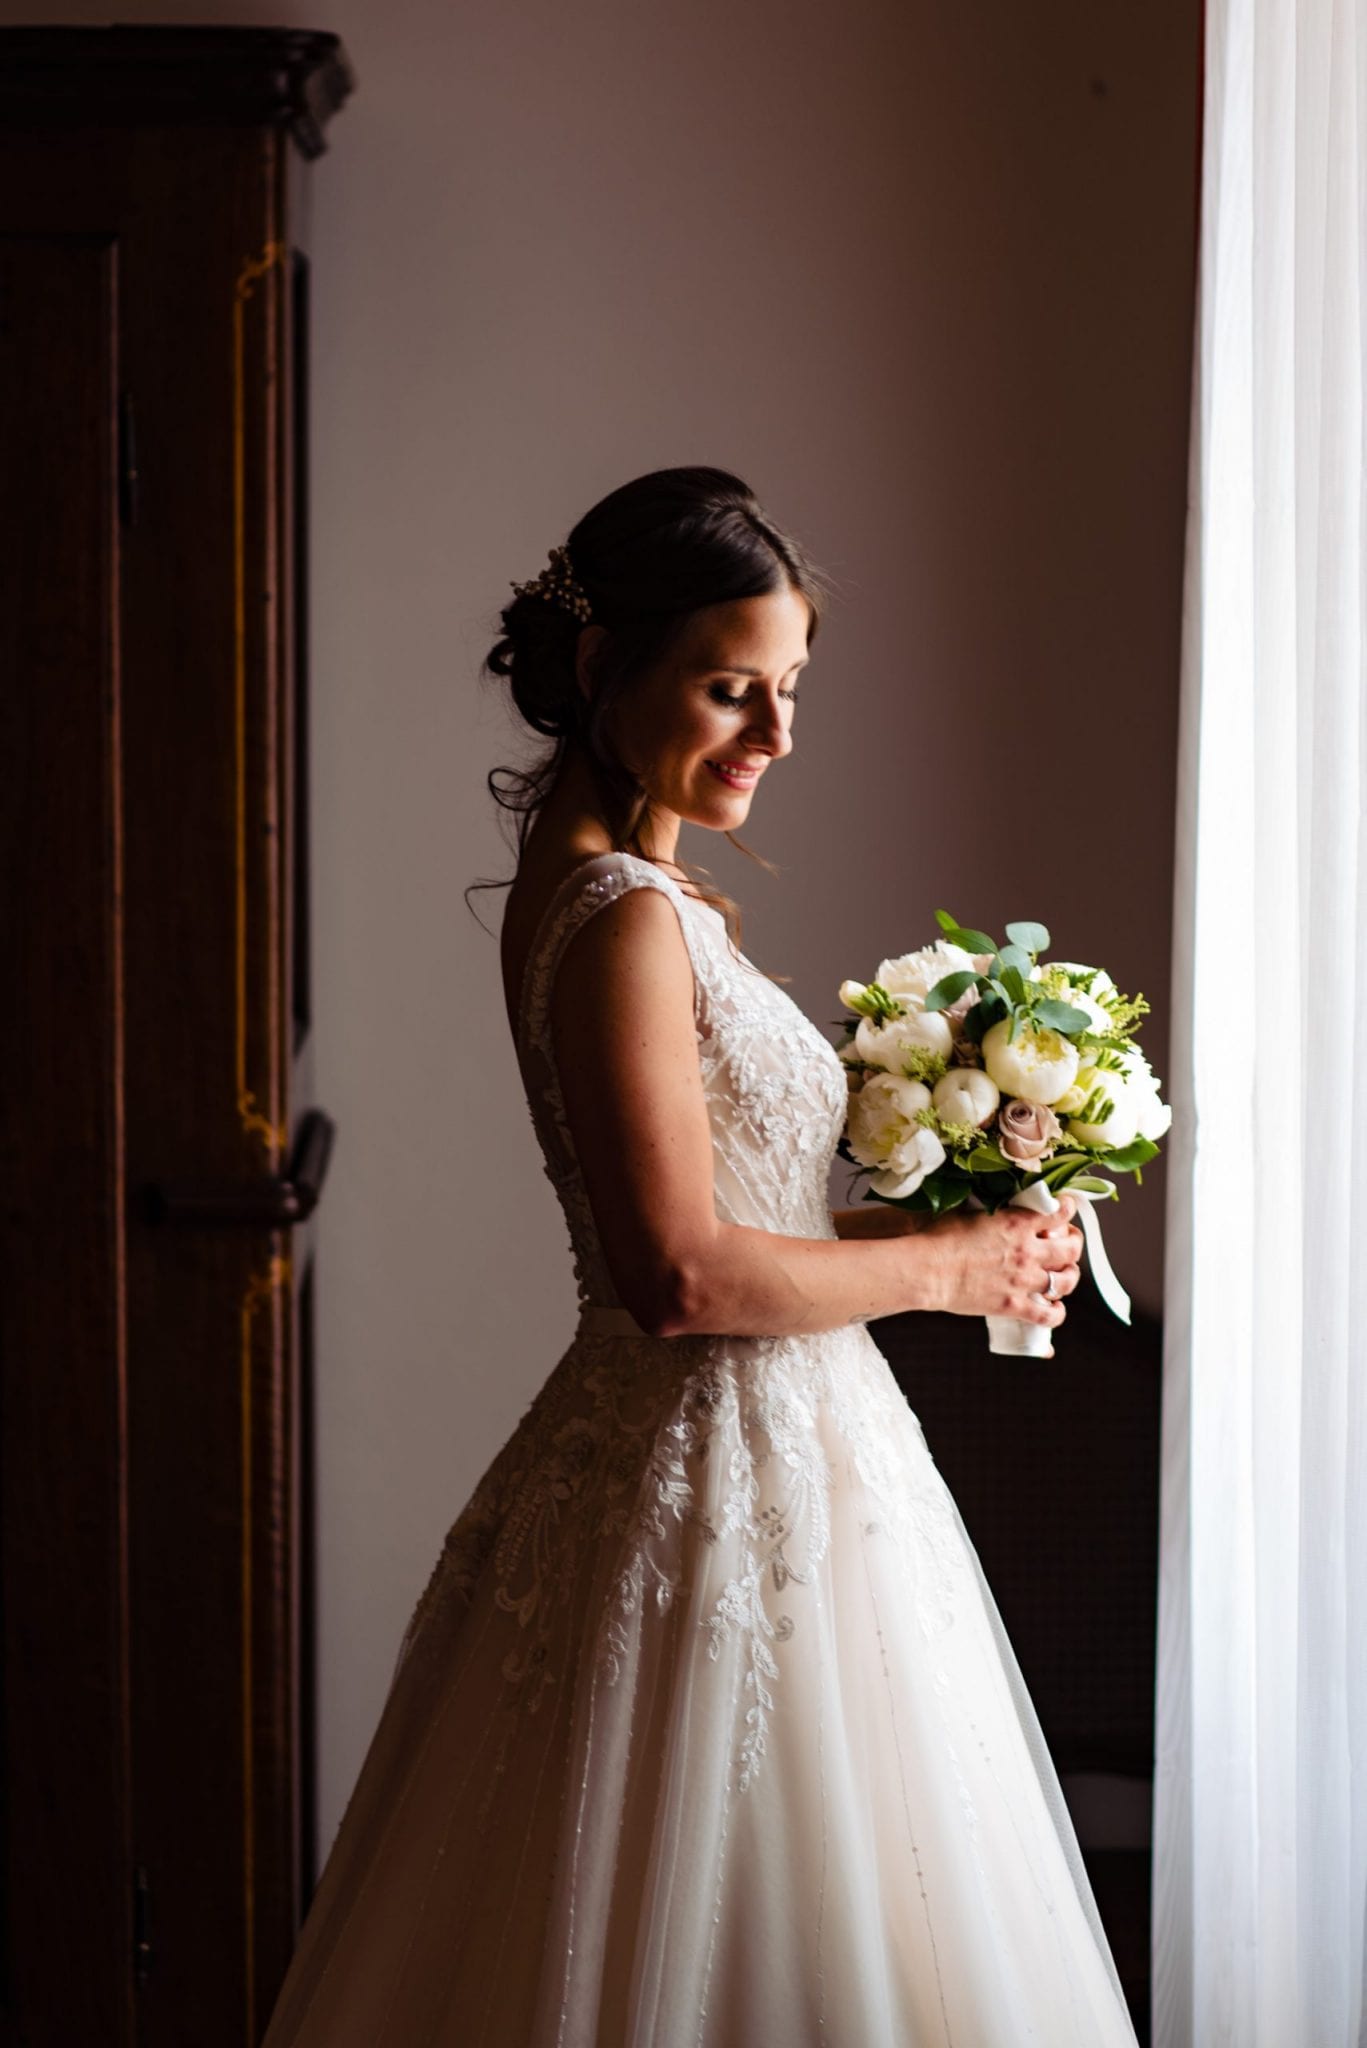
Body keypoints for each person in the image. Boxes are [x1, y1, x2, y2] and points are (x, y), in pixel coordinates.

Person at [261, 466, 1140, 2045]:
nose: (777, 734)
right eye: (733, 688)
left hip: (792, 1457)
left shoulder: (653, 898)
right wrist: (944, 1279)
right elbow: (679, 1278)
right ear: (605, 671)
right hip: (718, 1470)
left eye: (790, 689)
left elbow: (761, 1233)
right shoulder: (616, 916)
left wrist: (968, 1233)